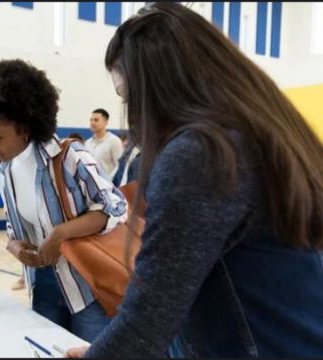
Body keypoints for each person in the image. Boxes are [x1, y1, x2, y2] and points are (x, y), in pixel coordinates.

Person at [65, 3, 323, 358]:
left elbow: (150, 317)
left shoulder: (201, 153)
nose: (132, 111)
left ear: (156, 88)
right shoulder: (260, 135)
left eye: (127, 96)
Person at [0, 59, 128, 343]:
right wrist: (14, 245)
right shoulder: (7, 170)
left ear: (26, 128)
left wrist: (61, 233)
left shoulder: (70, 156)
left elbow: (116, 207)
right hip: (43, 283)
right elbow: (12, 227)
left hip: (86, 285)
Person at [84, 109, 124, 178]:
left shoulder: (114, 141)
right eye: (91, 120)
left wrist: (109, 180)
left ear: (105, 122)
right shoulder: (87, 143)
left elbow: (118, 165)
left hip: (107, 185)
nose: (92, 122)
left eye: (96, 120)